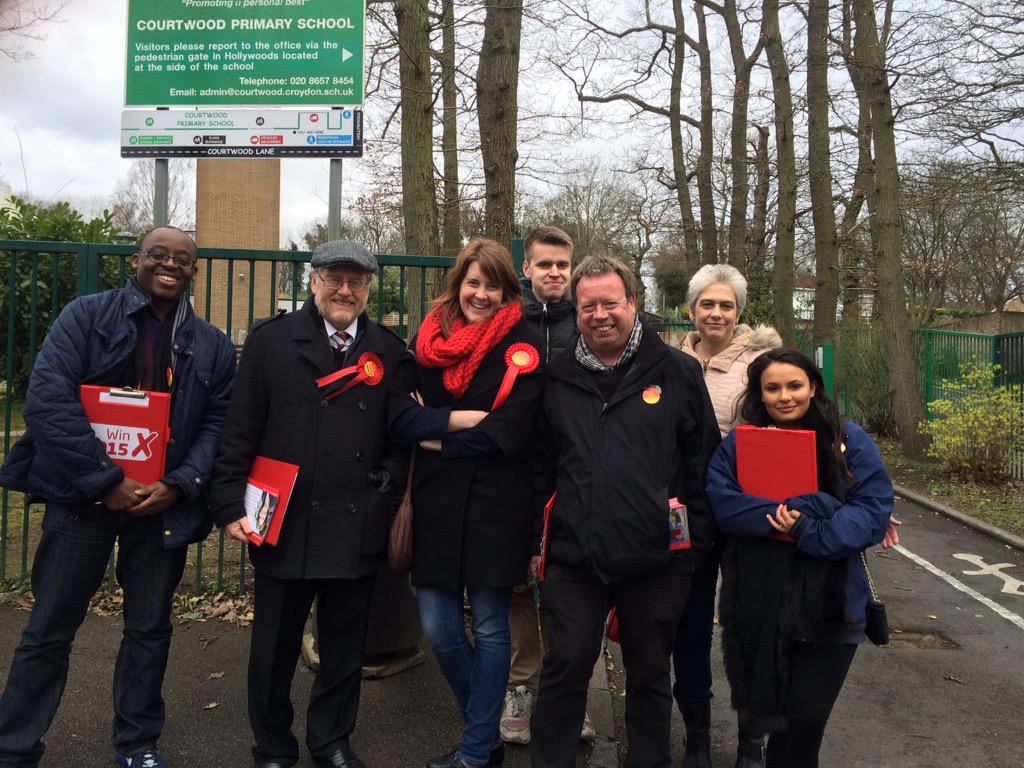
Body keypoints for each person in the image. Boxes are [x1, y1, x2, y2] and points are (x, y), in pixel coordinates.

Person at [0, 226, 236, 768]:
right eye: (159, 255)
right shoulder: (86, 317)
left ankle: (137, 743)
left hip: (159, 507)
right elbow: (48, 401)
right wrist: (104, 481)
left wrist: (180, 484)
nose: (170, 265)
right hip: (82, 502)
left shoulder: (212, 345)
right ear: (137, 260)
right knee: (48, 629)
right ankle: (13, 747)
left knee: (149, 629)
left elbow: (218, 424)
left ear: (194, 271)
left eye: (182, 260)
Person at [208, 241, 410, 768]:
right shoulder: (270, 342)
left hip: (356, 520)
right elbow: (240, 427)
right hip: (285, 521)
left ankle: (332, 742)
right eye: (334, 279)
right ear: (313, 281)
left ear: (368, 289)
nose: (345, 290)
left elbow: (401, 436)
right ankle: (273, 746)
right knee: (273, 648)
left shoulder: (389, 351)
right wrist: (229, 501)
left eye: (356, 282)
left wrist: (386, 483)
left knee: (344, 648)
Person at [529, 255, 721, 768]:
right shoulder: (557, 376)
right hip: (575, 557)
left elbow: (703, 466)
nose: (599, 315)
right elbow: (540, 467)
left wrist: (693, 551)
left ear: (633, 302)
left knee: (651, 675)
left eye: (610, 303)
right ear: (576, 310)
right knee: (565, 667)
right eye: (587, 306)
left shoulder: (677, 372)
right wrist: (537, 542)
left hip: (657, 560)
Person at [390, 238, 546, 768]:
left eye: (492, 285)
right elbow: (401, 416)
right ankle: (487, 730)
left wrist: (439, 438)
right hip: (435, 503)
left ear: (508, 291)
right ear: (458, 284)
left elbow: (513, 432)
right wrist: (455, 421)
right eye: (473, 283)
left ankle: (477, 749)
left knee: (491, 628)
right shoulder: (428, 339)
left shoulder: (524, 345)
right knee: (440, 630)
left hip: (496, 506)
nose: (481, 294)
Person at [705, 348, 894, 768]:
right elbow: (725, 505)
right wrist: (799, 513)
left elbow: (872, 511)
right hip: (759, 600)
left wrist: (808, 528)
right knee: (767, 711)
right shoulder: (740, 444)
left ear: (813, 387)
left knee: (805, 720)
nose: (784, 396)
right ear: (760, 394)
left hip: (832, 603)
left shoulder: (848, 439)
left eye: (794, 385)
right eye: (772, 388)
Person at [673, 264, 781, 768]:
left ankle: (750, 741)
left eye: (726, 305)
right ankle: (696, 736)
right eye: (707, 304)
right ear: (691, 309)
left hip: (746, 513)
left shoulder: (763, 363)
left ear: (739, 311)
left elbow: (800, 423)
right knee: (689, 624)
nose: (716, 313)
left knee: (749, 626)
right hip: (688, 515)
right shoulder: (670, 361)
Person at [500, 226, 595, 746]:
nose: (555, 273)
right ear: (527, 269)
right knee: (519, 584)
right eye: (545, 264)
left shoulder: (588, 322)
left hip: (572, 473)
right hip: (514, 472)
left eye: (562, 265)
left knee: (568, 586)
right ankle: (520, 684)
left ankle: (568, 691)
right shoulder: (506, 320)